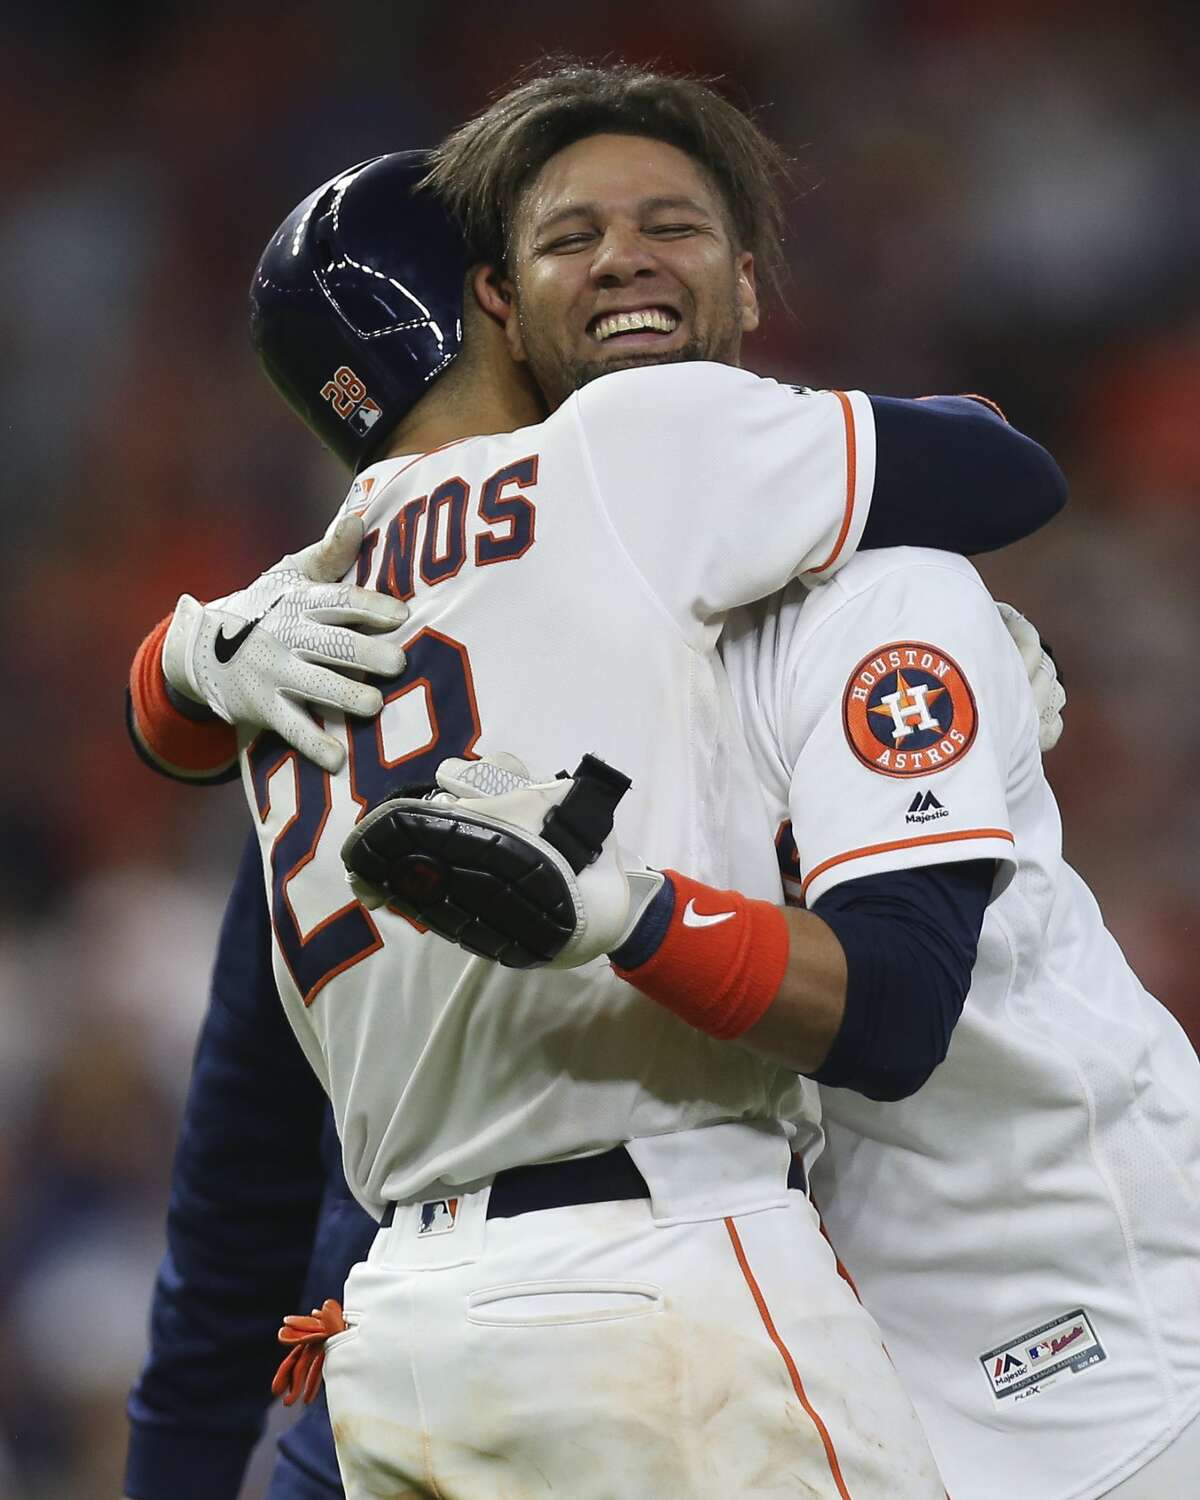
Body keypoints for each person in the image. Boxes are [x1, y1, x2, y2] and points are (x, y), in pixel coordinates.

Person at [125, 68, 1067, 1500]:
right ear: (493, 297)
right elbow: (999, 466)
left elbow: (235, 1170)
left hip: (399, 1340)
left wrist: (176, 666)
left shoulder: (276, 627)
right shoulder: (632, 447)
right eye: (553, 242)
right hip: (658, 1280)